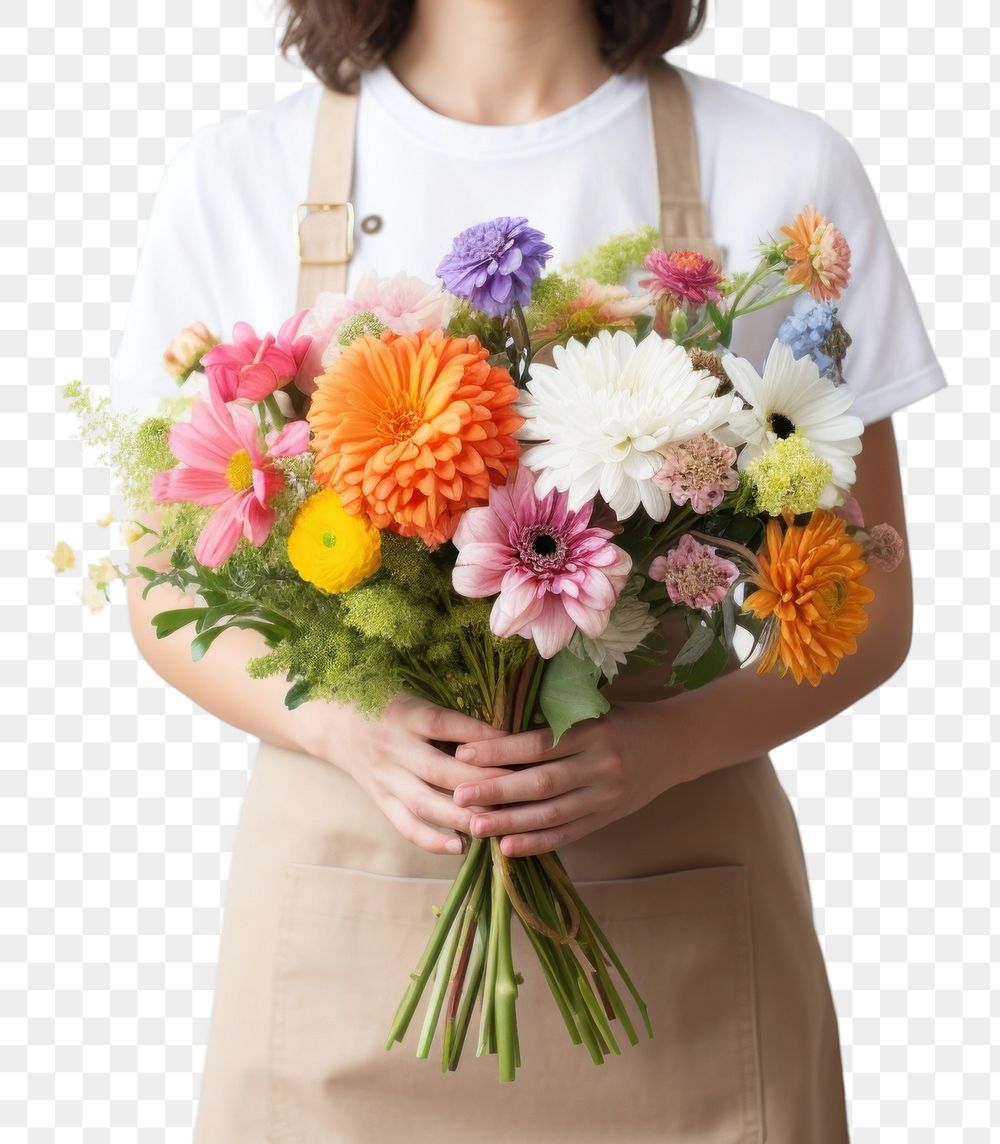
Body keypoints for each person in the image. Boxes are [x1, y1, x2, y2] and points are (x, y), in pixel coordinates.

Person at [111, 1, 949, 1139]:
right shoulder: (242, 173)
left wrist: (669, 744)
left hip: (686, 948)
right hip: (342, 942)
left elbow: (873, 597)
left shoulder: (781, 171)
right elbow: (160, 588)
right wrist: (343, 729)